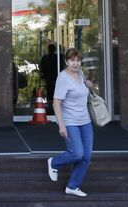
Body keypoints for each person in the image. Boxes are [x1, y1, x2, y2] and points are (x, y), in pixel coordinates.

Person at [46, 48, 95, 197]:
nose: (75, 63)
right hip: (70, 121)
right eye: (72, 60)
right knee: (77, 153)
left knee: (86, 156)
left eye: (78, 60)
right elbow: (56, 103)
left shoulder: (80, 74)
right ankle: (54, 163)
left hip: (85, 120)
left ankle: (73, 186)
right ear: (66, 61)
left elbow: (82, 92)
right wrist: (61, 125)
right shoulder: (63, 78)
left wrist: (88, 85)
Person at [39, 44, 63, 109]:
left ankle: (50, 107)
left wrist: (43, 76)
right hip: (56, 78)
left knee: (50, 93)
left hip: (49, 78)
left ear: (48, 49)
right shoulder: (59, 57)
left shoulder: (45, 57)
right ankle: (56, 106)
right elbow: (62, 67)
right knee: (57, 92)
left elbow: (41, 68)